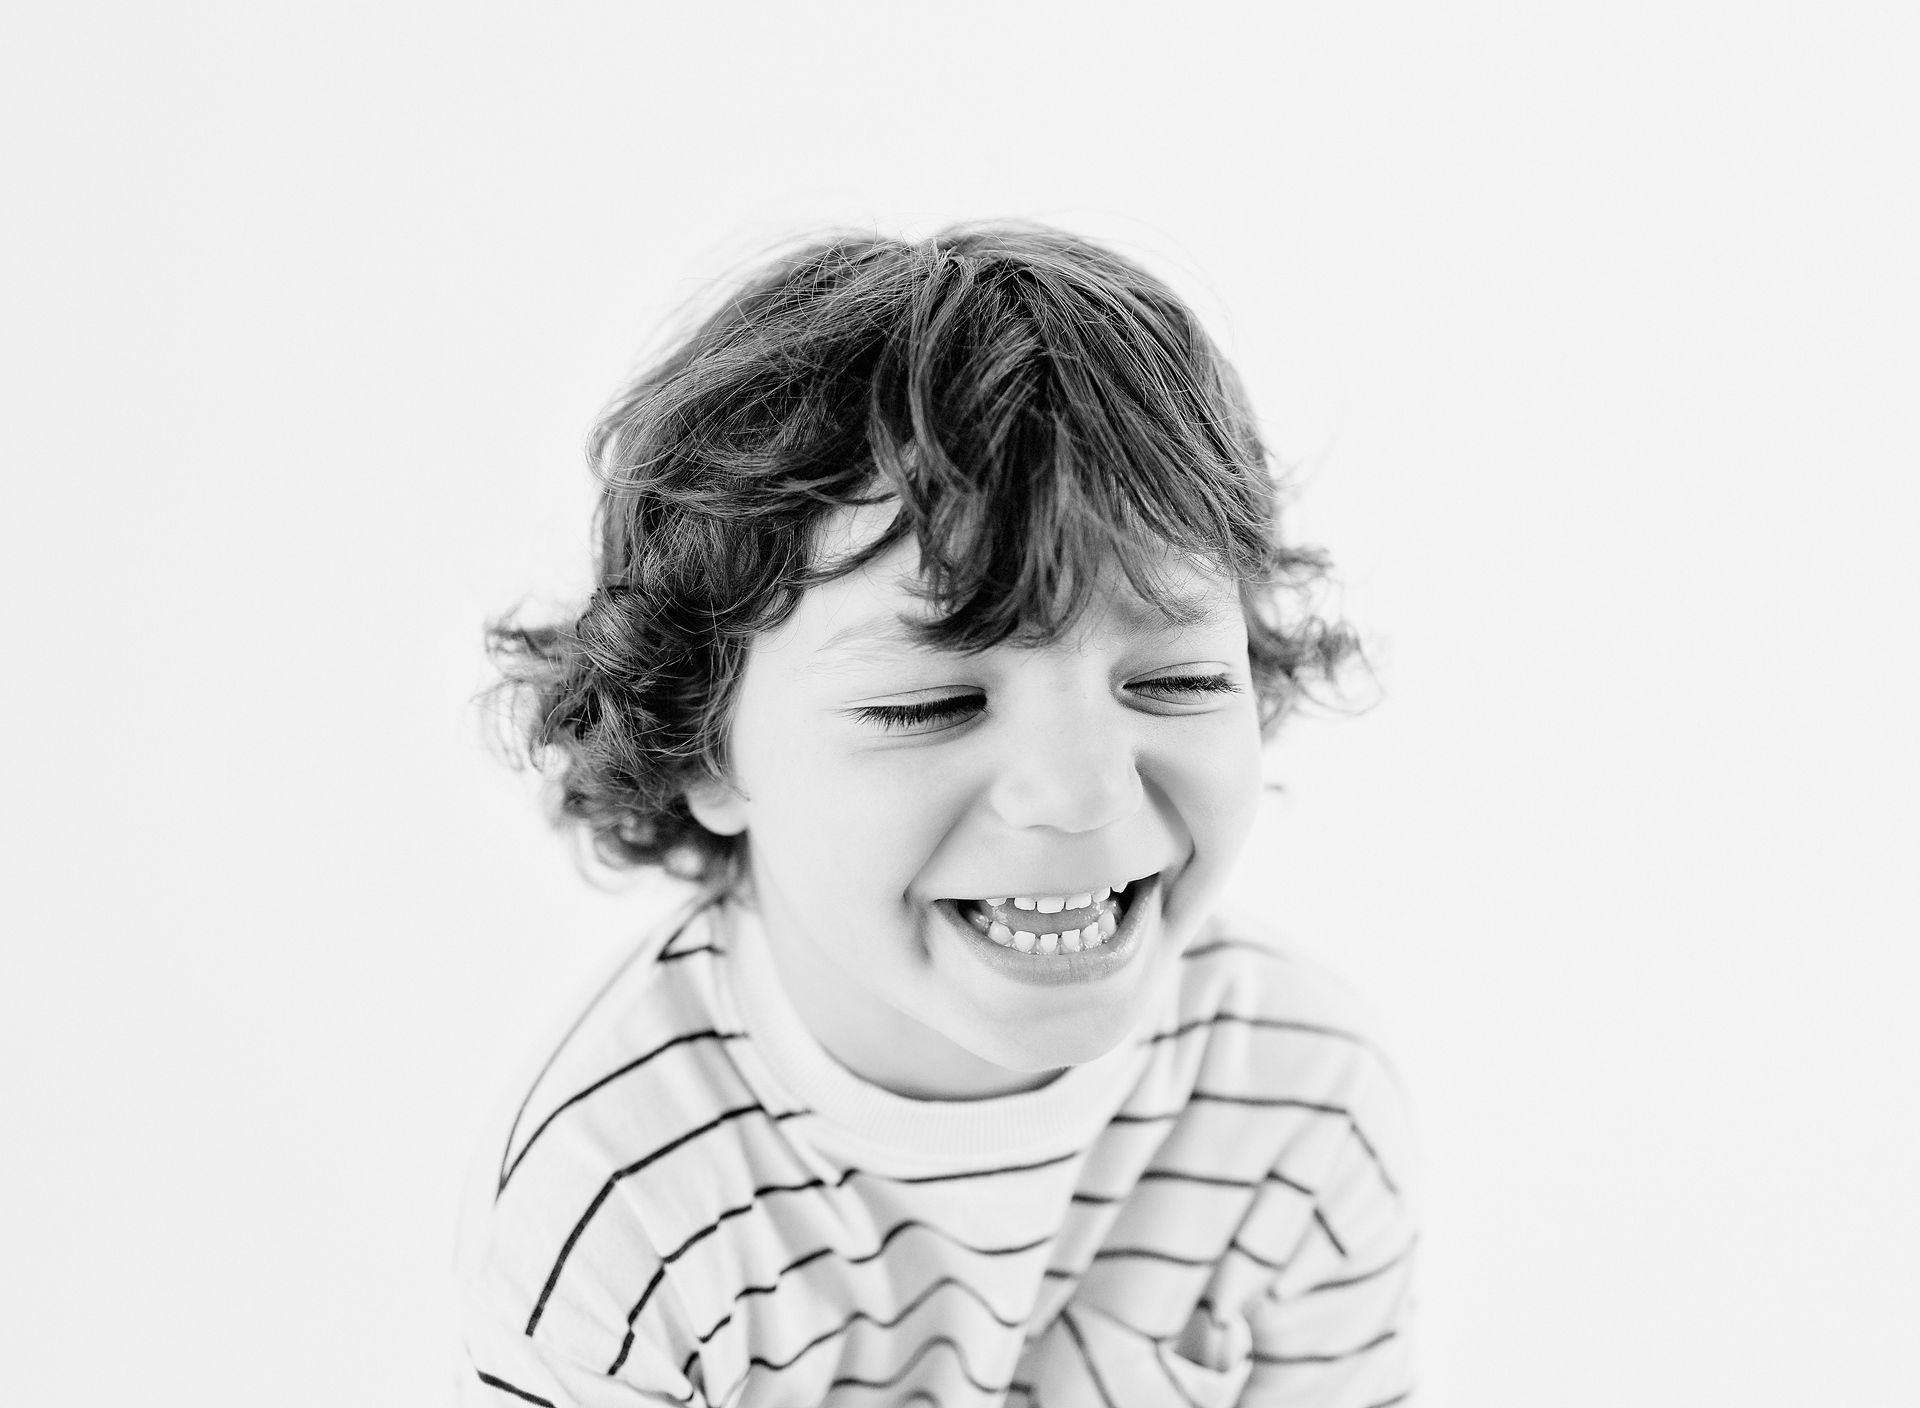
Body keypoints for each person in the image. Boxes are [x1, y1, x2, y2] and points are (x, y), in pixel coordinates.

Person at [459, 223, 1417, 1407]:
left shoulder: (1304, 1098)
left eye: (1178, 681)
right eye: (930, 704)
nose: (1083, 793)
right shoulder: (620, 1199)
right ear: (704, 745)